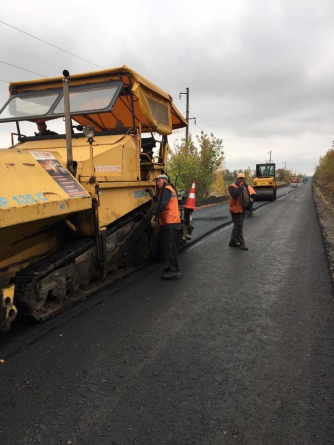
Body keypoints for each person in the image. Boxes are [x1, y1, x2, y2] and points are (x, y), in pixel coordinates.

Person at [151, 174, 181, 279]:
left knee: (170, 247)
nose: (157, 182)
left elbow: (161, 204)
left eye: (159, 180)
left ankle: (174, 270)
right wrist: (154, 196)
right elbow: (161, 201)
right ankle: (169, 267)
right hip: (169, 222)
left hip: (170, 222)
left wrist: (153, 216)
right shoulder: (167, 190)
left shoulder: (167, 190)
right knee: (167, 247)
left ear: (164, 180)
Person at [228, 172, 255, 250]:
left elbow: (243, 195)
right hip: (236, 209)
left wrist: (249, 198)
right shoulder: (233, 186)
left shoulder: (244, 186)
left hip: (242, 209)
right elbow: (234, 194)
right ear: (237, 179)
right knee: (239, 227)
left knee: (237, 226)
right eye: (240, 178)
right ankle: (242, 243)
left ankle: (232, 241)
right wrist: (240, 187)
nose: (241, 180)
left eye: (242, 178)